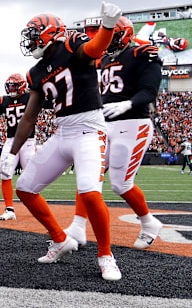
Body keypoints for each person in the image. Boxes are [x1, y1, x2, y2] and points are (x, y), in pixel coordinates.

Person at [1, 2, 123, 281]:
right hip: (62, 132)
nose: (30, 40)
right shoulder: (36, 71)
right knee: (25, 188)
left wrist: (107, 26)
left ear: (50, 33)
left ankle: (106, 254)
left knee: (90, 191)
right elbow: (29, 117)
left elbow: (94, 49)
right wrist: (13, 151)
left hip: (89, 130)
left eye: (34, 34)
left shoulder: (72, 45)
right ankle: (59, 238)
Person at [63, 15, 164, 250]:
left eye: (114, 36)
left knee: (121, 184)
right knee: (88, 174)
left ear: (127, 35)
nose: (108, 42)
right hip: (105, 123)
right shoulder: (106, 58)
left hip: (132, 124)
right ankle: (78, 226)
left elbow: (150, 90)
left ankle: (149, 223)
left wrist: (128, 103)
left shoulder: (142, 53)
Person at [0, 73, 37, 220]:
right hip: (10, 140)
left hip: (28, 141)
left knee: (31, 176)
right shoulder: (4, 100)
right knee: (5, 173)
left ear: (22, 85)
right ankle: (9, 209)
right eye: (9, 85)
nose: (11, 88)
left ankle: (36, 208)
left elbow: (48, 103)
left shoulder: (29, 97)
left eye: (14, 85)